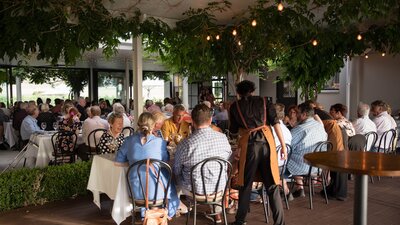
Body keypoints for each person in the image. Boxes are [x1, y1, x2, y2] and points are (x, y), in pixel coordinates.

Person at [229, 80, 286, 225]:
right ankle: (280, 222)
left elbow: (233, 131)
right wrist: (283, 145)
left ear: (239, 93)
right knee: (272, 184)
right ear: (253, 90)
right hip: (268, 143)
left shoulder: (235, 106)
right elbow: (276, 123)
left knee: (246, 183)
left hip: (249, 145)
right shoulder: (264, 101)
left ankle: (240, 220)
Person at [174, 104, 232, 223]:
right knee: (215, 173)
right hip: (219, 189)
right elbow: (228, 158)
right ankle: (217, 214)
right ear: (210, 120)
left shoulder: (186, 143)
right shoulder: (223, 138)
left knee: (173, 176)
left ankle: (175, 208)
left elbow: (176, 169)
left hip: (195, 190)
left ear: (192, 121)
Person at [115, 112, 179, 219]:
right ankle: (163, 211)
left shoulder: (128, 140)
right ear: (153, 126)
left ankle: (147, 212)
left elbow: (118, 162)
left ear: (138, 124)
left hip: (135, 191)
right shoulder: (160, 142)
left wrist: (135, 162)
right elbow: (165, 162)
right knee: (167, 176)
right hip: (157, 194)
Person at [287, 102, 327, 198]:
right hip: (318, 165)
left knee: (282, 159)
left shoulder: (300, 129)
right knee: (298, 153)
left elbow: (287, 145)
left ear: (304, 115)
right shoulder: (319, 126)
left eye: (297, 113)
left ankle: (285, 190)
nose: (296, 115)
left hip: (303, 166)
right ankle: (299, 188)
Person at [272, 103, 292, 200]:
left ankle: (258, 194)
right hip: (284, 164)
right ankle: (286, 190)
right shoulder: (287, 130)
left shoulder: (270, 129)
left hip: (273, 165)